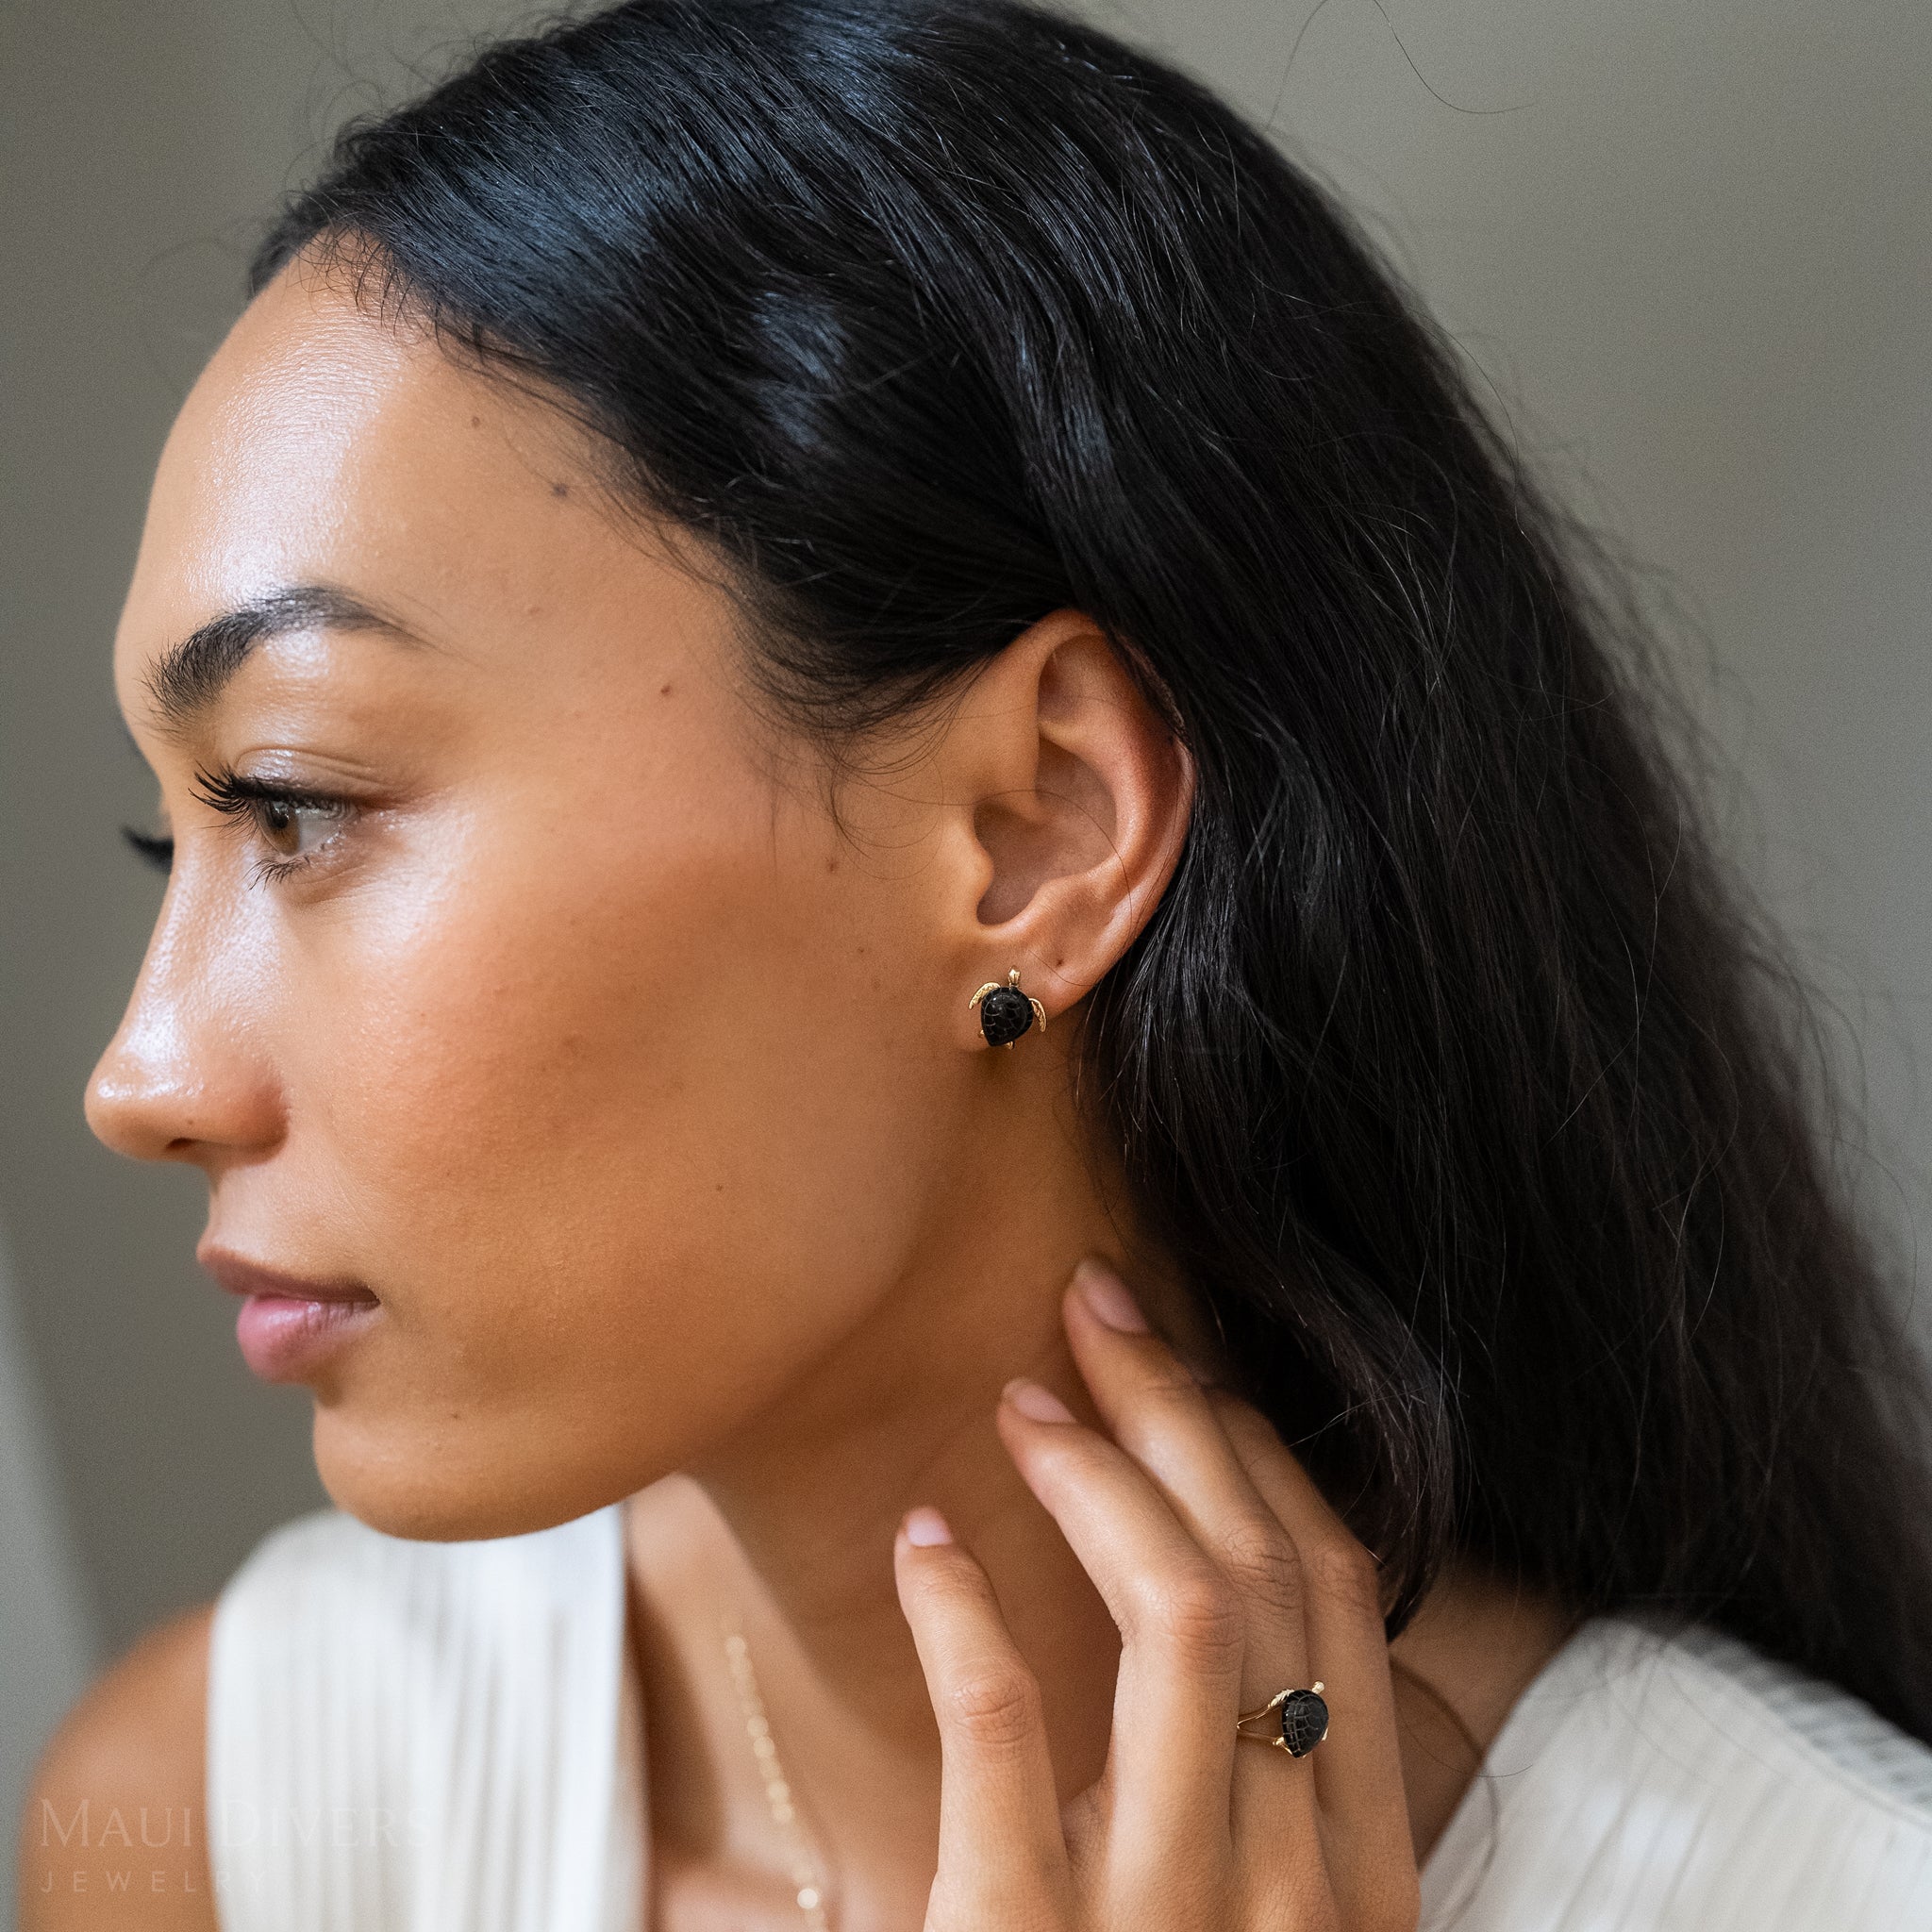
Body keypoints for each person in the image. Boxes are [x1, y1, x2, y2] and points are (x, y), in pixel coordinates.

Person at [20, 1, 1932, 1925]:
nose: (142, 1076)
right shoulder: (214, 1829)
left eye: (295, 800)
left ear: (1036, 823)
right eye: (168, 832)